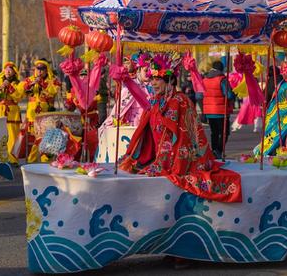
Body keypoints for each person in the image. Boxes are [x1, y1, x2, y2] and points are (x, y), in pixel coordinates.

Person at [119, 53, 242, 203]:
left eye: (157, 79)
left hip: (178, 157)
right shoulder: (156, 100)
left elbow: (184, 135)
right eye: (152, 79)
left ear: (169, 81)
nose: (153, 83)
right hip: (158, 155)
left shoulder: (180, 100)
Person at [98, 52, 152, 142]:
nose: (148, 74)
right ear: (138, 70)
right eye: (146, 70)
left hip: (149, 126)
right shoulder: (132, 86)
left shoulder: (153, 86)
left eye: (150, 71)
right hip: (134, 126)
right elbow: (120, 107)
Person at [18, 59, 61, 163]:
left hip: (46, 113)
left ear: (46, 70)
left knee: (46, 137)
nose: (39, 71)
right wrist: (30, 85)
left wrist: (42, 83)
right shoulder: (29, 80)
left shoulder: (53, 80)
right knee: (33, 137)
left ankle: (46, 159)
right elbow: (20, 92)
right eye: (37, 69)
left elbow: (54, 91)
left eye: (42, 69)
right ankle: (31, 160)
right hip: (32, 114)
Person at [196, 60, 235, 159]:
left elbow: (199, 95)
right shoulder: (222, 80)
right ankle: (219, 150)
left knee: (214, 132)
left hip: (209, 112)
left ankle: (214, 151)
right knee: (224, 132)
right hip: (221, 111)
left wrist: (203, 109)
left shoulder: (204, 79)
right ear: (221, 69)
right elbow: (229, 95)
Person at [0, 62, 24, 165]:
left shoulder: (18, 83)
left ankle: (12, 159)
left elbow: (19, 97)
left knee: (13, 136)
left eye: (10, 69)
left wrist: (10, 88)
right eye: (6, 69)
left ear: (14, 71)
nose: (7, 71)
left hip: (12, 112)